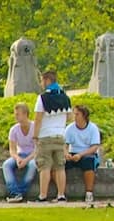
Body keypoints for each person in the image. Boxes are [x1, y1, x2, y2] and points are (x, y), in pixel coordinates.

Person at [30, 71, 72, 203]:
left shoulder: (42, 98)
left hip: (45, 136)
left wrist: (35, 136)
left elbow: (38, 118)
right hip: (60, 135)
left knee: (44, 166)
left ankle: (43, 195)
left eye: (42, 80)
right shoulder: (65, 97)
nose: (41, 83)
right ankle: (61, 195)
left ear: (47, 80)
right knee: (60, 166)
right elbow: (70, 116)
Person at [65, 105, 103, 203]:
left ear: (84, 116)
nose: (75, 117)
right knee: (59, 163)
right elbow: (64, 145)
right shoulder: (69, 128)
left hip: (88, 153)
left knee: (88, 162)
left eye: (77, 114)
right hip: (73, 153)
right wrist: (66, 154)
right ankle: (61, 193)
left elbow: (94, 147)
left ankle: (89, 193)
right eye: (74, 114)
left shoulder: (93, 128)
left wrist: (81, 155)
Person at [2, 103, 39, 203]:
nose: (16, 116)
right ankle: (15, 192)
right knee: (6, 165)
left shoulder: (35, 127)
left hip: (33, 155)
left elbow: (38, 149)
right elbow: (12, 149)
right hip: (20, 154)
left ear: (25, 114)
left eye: (18, 114)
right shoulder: (14, 130)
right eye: (15, 114)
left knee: (32, 166)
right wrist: (17, 158)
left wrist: (27, 160)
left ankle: (21, 192)